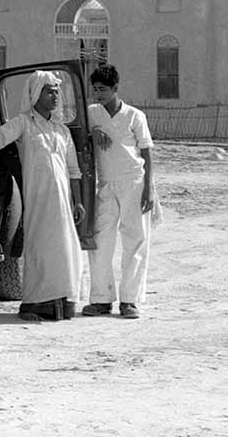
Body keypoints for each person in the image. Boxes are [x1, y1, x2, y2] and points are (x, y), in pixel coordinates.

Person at [0, 71, 84, 322]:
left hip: (62, 202)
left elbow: (73, 171)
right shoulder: (24, 123)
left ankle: (61, 303)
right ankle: (33, 305)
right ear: (36, 94)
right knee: (40, 249)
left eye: (57, 90)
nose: (55, 95)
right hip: (39, 200)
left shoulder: (62, 130)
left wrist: (78, 201)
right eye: (50, 91)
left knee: (64, 249)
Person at [82, 63, 154, 319]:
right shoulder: (92, 113)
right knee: (100, 240)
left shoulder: (135, 116)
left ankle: (129, 300)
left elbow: (146, 151)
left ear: (115, 88)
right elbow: (77, 132)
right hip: (105, 183)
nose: (98, 93)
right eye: (95, 89)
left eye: (102, 89)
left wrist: (150, 189)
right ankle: (101, 299)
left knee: (134, 239)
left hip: (134, 181)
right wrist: (94, 132)